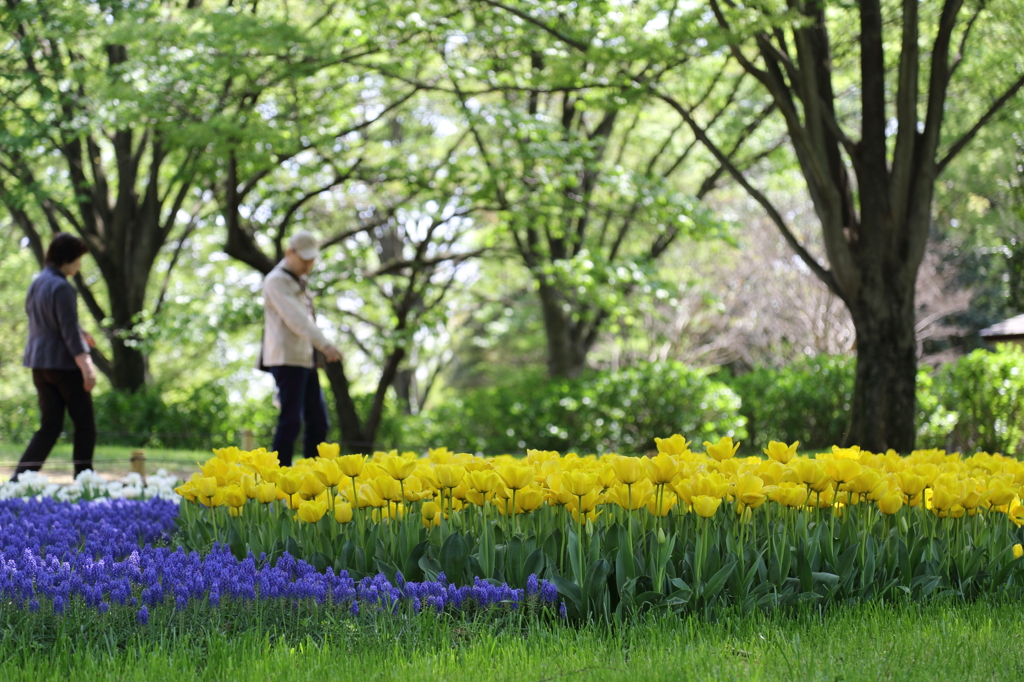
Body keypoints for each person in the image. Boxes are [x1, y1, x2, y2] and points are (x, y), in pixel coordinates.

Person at [13, 233, 98, 481]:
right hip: (65, 366)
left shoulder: (37, 283)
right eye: (78, 259)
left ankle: (17, 482)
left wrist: (80, 332)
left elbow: (46, 323)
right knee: (85, 426)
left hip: (39, 365)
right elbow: (68, 332)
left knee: (49, 427)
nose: (79, 265)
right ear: (68, 258)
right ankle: (85, 482)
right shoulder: (62, 287)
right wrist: (87, 365)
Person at [259, 230, 343, 466]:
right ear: (289, 253)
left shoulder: (298, 281)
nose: (308, 264)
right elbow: (297, 319)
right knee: (290, 421)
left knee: (318, 422)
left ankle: (314, 478)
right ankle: (279, 479)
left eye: (312, 259)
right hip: (286, 361)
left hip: (304, 360)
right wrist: (325, 345)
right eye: (304, 258)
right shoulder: (276, 281)